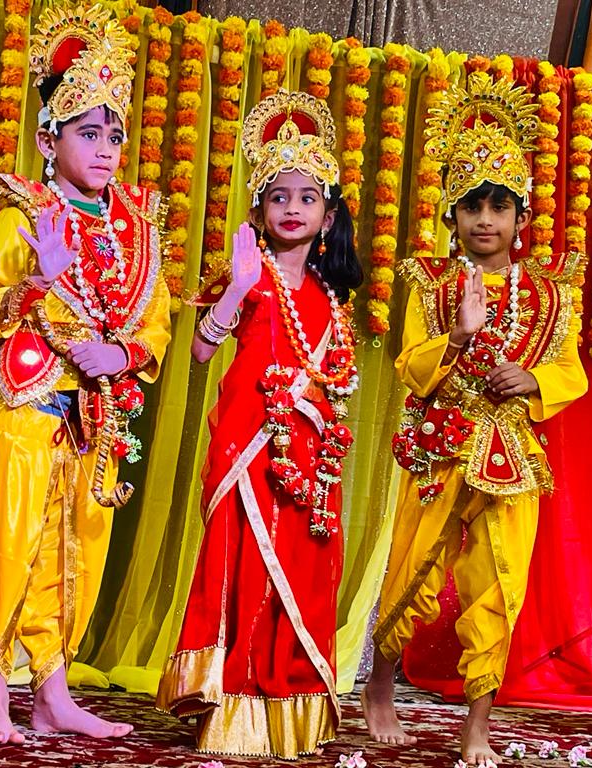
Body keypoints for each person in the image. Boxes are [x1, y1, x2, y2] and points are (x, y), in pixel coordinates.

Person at [362, 72, 588, 766]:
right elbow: (411, 366)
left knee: (499, 585)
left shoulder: (551, 293)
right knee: (411, 569)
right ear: (451, 215)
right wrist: (458, 338)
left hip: (511, 454)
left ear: (521, 217)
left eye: (499, 206)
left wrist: (535, 379)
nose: (484, 220)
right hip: (440, 446)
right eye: (471, 206)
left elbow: (572, 370)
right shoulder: (429, 283)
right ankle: (379, 685)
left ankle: (477, 725)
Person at [0, 2, 172, 745]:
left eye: (115, 135)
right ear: (48, 139)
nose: (107, 149)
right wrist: (37, 282)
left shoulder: (138, 228)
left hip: (97, 415)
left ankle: (52, 693)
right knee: (9, 545)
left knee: (77, 550)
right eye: (89, 133)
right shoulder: (23, 216)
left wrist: (120, 355)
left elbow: (155, 322)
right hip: (27, 403)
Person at [156, 90, 363, 760]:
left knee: (301, 571)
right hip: (250, 445)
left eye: (307, 197)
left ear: (329, 213)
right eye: (279, 197)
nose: (292, 208)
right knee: (244, 564)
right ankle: (232, 702)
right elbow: (201, 351)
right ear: (258, 210)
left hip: (310, 459)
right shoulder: (249, 273)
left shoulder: (331, 295)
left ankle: (289, 708)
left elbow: (333, 377)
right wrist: (238, 291)